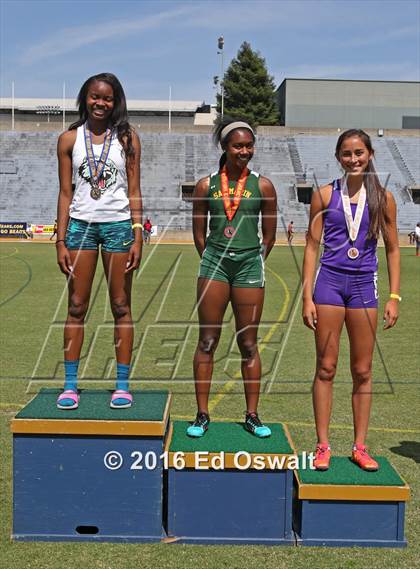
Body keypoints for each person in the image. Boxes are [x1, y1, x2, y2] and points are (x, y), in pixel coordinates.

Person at [302, 129, 400, 471]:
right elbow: (312, 246)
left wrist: (394, 296)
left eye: (359, 152)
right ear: (338, 157)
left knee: (362, 370)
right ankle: (323, 445)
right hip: (329, 284)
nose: (353, 159)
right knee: (326, 367)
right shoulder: (324, 195)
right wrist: (306, 297)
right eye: (346, 153)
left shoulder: (384, 199)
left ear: (370, 154)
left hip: (363, 287)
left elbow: (392, 248)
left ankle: (359, 446)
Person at [55, 72, 142, 410]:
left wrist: (137, 232)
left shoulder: (128, 138)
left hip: (119, 225)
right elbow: (65, 193)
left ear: (115, 101)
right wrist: (59, 240)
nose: (100, 103)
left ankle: (122, 384)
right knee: (77, 306)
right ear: (85, 98)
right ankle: (70, 385)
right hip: (81, 227)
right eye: (94, 96)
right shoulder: (68, 139)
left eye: (107, 98)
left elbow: (133, 190)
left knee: (121, 306)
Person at [187, 119, 277, 438]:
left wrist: (251, 258)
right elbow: (199, 234)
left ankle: (252, 415)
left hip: (249, 267)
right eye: (238, 146)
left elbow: (269, 236)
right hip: (214, 265)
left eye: (249, 146)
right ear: (225, 147)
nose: (244, 151)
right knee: (208, 341)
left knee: (248, 343)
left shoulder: (263, 185)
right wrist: (216, 258)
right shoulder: (205, 185)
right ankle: (201, 414)